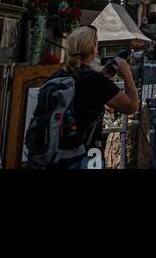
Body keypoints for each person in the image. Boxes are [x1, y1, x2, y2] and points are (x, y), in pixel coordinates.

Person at [46, 26, 139, 169]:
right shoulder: (95, 81)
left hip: (56, 156)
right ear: (93, 48)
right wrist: (127, 73)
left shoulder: (58, 77)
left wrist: (102, 75)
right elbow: (132, 106)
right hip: (86, 157)